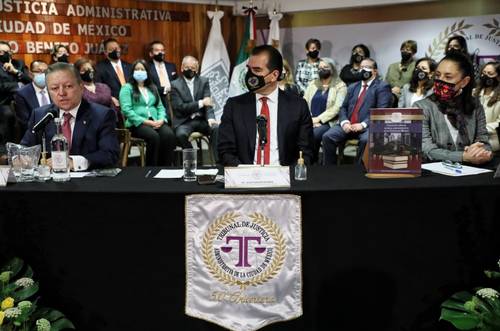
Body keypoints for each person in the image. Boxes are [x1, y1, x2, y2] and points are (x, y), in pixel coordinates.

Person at [218, 45, 313, 166]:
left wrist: (289, 176)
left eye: (257, 70)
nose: (250, 76)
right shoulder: (234, 106)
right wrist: (244, 174)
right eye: (249, 69)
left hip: (286, 178)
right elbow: (225, 151)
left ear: (274, 75)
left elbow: (306, 151)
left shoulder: (298, 106)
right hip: (244, 178)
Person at [21, 62, 120, 170]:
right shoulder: (40, 115)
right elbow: (26, 149)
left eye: (68, 86)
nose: (61, 93)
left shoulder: (102, 115)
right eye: (54, 88)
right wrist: (20, 158)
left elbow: (110, 154)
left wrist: (74, 162)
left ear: (81, 87)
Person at [414, 52, 492, 165]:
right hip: (435, 176)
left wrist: (482, 152)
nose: (440, 80)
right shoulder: (421, 107)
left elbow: (484, 142)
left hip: (471, 173)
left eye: (448, 77)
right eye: (437, 75)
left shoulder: (475, 106)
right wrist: (463, 156)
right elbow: (426, 150)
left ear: (464, 82)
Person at [322, 58, 392, 165]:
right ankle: (329, 169)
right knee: (328, 136)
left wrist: (363, 125)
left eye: (367, 67)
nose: (363, 70)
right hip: (348, 125)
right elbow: (343, 108)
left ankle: (358, 171)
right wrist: (345, 122)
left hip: (368, 126)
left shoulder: (382, 87)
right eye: (361, 67)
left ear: (375, 71)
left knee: (366, 140)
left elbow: (381, 112)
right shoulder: (353, 86)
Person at [119, 59, 176, 166]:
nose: (139, 71)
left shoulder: (152, 87)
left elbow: (160, 107)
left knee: (169, 135)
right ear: (132, 72)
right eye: (137, 69)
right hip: (137, 124)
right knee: (153, 137)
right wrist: (146, 122)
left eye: (142, 69)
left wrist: (161, 119)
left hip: (155, 121)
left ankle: (165, 167)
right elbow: (127, 110)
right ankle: (151, 168)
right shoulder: (126, 88)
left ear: (147, 72)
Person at [170, 55, 218, 159]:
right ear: (182, 68)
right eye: (187, 67)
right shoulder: (174, 85)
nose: (190, 70)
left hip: (201, 119)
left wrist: (211, 118)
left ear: (197, 69)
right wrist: (201, 103)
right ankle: (192, 160)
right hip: (184, 121)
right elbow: (180, 107)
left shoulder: (204, 81)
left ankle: (218, 161)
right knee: (180, 135)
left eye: (193, 68)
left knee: (216, 128)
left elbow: (208, 102)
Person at [303, 58, 347, 163]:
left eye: (325, 67)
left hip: (329, 122)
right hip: (311, 120)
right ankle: (305, 162)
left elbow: (337, 108)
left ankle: (312, 162)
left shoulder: (340, 85)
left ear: (332, 69)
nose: (322, 70)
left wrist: (318, 119)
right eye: (320, 68)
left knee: (313, 134)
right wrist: (310, 119)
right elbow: (304, 102)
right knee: (300, 132)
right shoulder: (313, 84)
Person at [0, 41, 31, 152]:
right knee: (8, 114)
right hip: (3, 102)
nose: (3, 54)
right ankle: (4, 150)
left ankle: (27, 147)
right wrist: (18, 85)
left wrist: (15, 71)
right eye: (0, 52)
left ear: (11, 52)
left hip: (22, 100)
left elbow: (29, 81)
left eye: (6, 52)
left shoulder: (19, 64)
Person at [15, 60, 50, 135]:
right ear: (30, 74)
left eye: (46, 71)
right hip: (35, 133)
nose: (43, 74)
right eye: (39, 71)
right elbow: (25, 122)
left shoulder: (55, 90)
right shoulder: (22, 94)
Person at [95, 38, 131, 107]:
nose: (116, 51)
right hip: (114, 105)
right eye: (111, 49)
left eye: (117, 48)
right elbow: (98, 89)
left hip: (132, 103)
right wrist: (110, 98)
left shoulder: (129, 66)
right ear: (106, 52)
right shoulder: (99, 68)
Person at [473, 61, 500, 152]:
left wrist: (481, 128)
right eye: (484, 73)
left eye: (490, 73)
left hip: (491, 138)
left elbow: (498, 123)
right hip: (471, 135)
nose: (485, 76)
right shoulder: (473, 92)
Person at [147, 40, 178, 110]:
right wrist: (166, 89)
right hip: (157, 99)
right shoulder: (147, 67)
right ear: (151, 54)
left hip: (173, 98)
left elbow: (177, 82)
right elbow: (149, 86)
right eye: (157, 50)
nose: (161, 52)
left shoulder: (171, 66)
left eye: (162, 50)